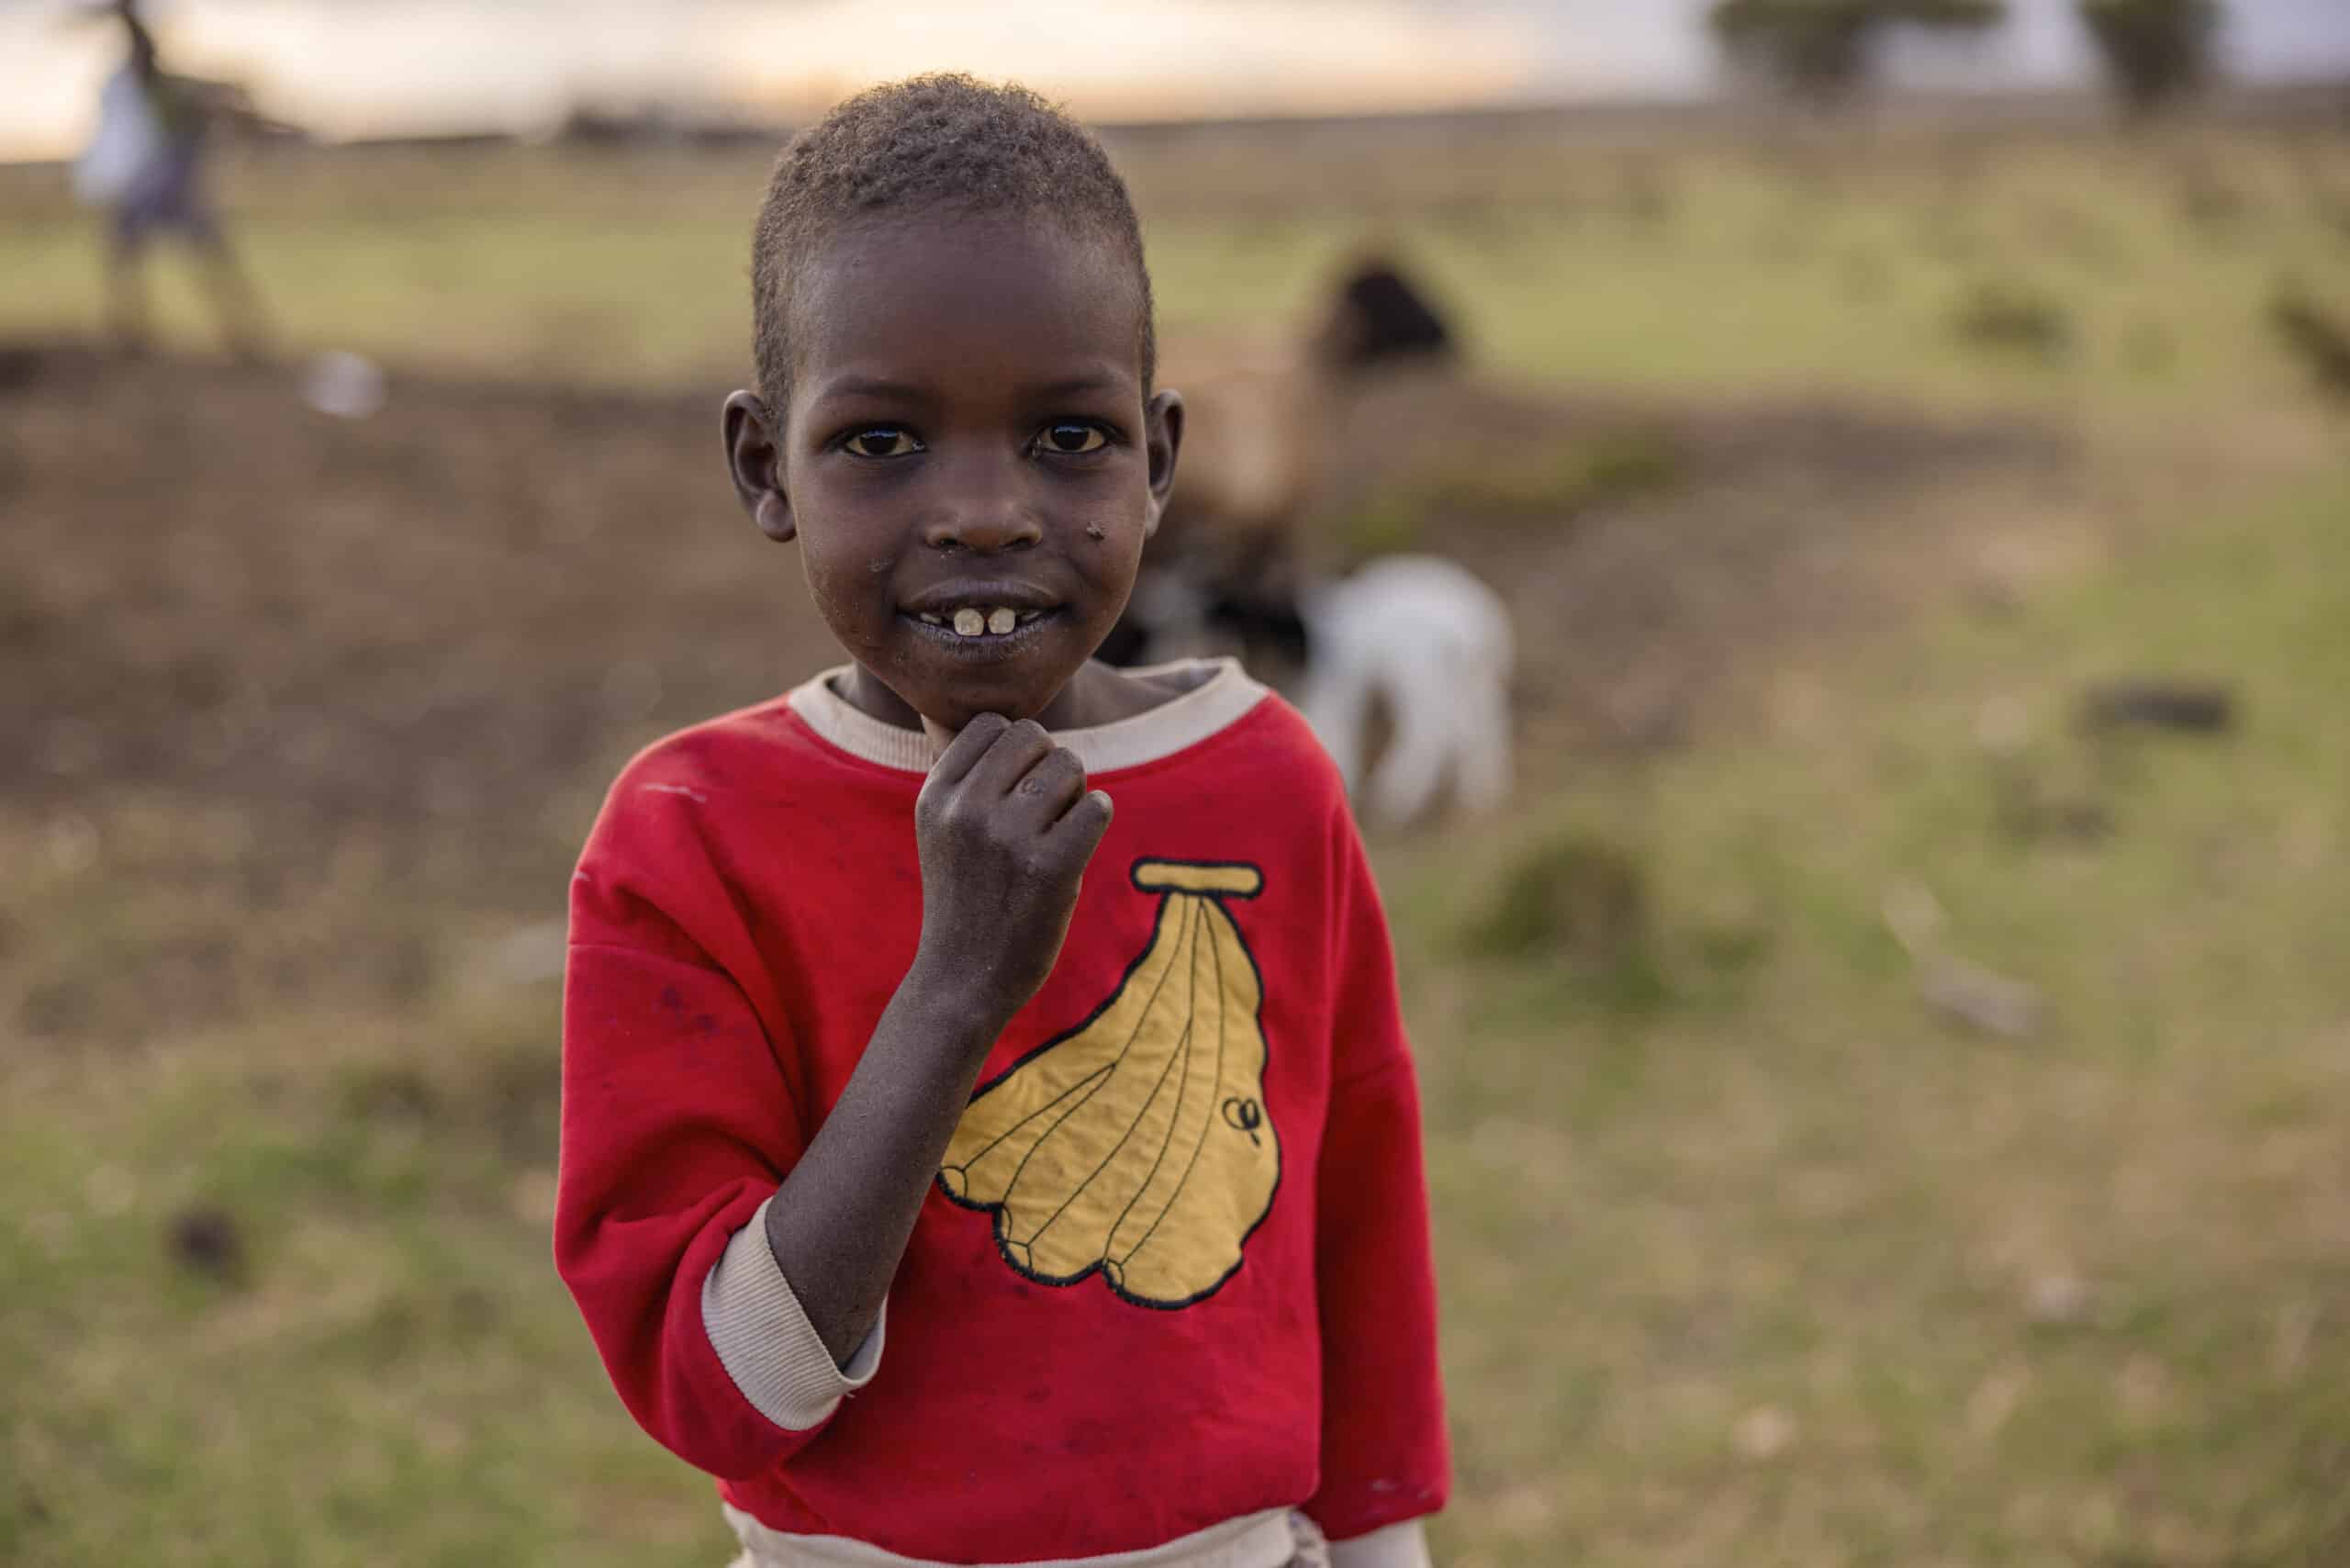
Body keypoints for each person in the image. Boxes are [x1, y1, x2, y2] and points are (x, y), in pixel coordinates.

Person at [554, 75, 1449, 1568]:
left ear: (1161, 458)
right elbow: (721, 1393)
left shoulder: (1269, 783)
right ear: (764, 467)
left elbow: (1358, 1237)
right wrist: (956, 985)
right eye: (884, 442)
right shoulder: (688, 836)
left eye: (1068, 437)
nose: (985, 511)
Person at [73, 0, 269, 357]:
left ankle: (244, 338)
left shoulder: (180, 95)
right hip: (154, 188)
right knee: (131, 253)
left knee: (202, 258)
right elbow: (144, 56)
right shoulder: (160, 90)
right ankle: (131, 335)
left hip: (174, 191)